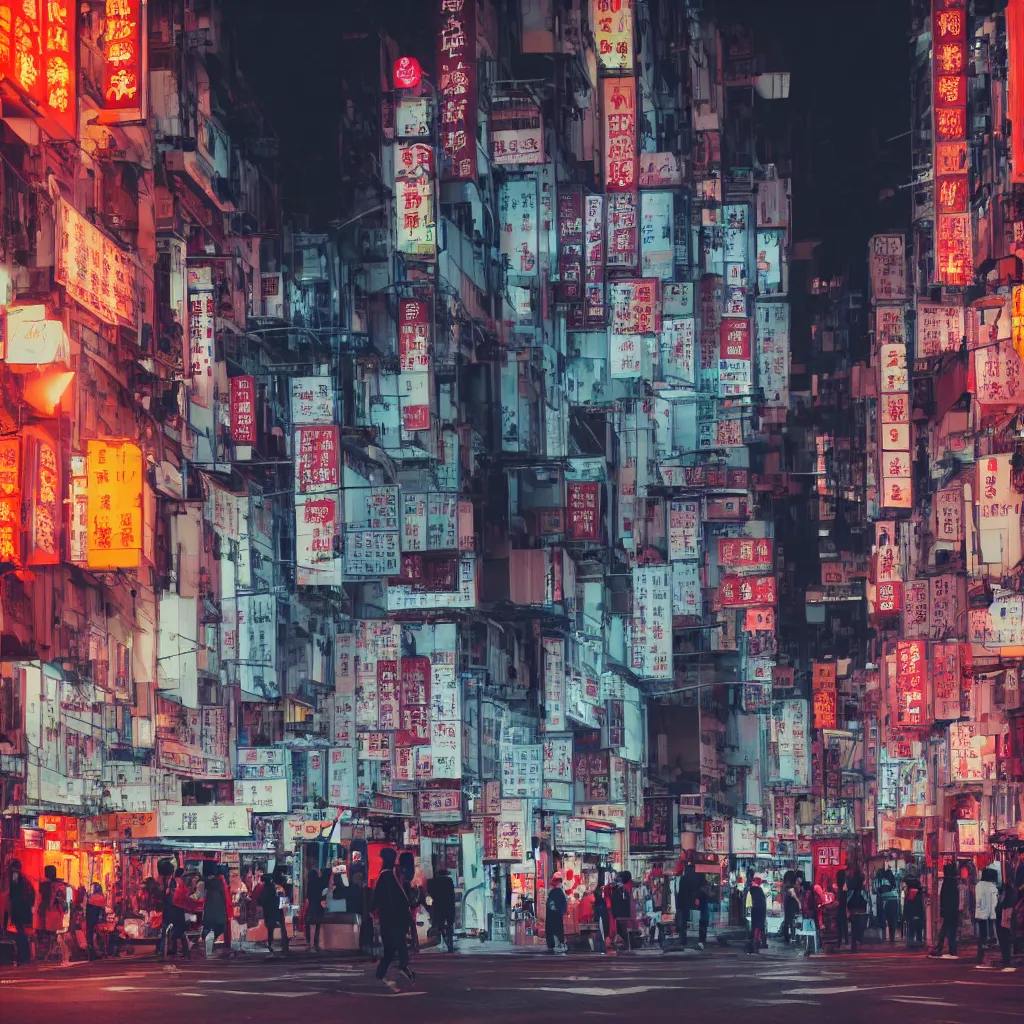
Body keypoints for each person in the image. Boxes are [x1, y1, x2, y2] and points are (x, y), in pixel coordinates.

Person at [373, 848, 414, 990]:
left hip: (389, 917)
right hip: (395, 917)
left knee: (392, 947)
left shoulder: (386, 876)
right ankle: (399, 968)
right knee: (397, 945)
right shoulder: (389, 877)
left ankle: (383, 972)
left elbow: (376, 899)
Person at [5, 859, 35, 965]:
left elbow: (15, 892)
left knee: (20, 933)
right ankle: (25, 956)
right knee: (22, 932)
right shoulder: (23, 877)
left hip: (19, 909)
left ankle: (23, 957)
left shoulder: (15, 875)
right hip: (24, 909)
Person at [929, 862, 961, 959]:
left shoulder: (946, 882)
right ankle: (951, 949)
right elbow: (955, 898)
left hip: (947, 910)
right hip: (953, 910)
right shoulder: (953, 883)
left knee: (945, 929)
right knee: (951, 930)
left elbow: (943, 898)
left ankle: (940, 947)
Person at [259, 868, 290, 956]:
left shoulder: (266, 889)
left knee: (271, 928)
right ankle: (283, 945)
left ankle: (272, 944)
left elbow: (261, 899)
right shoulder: (276, 888)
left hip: (270, 911)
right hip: (276, 910)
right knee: (279, 927)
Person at [200, 862, 228, 958]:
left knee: (208, 927)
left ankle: (204, 944)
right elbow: (225, 896)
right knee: (219, 926)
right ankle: (208, 947)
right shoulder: (220, 882)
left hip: (210, 908)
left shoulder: (207, 882)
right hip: (218, 908)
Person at [427, 864, 456, 953]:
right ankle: (449, 942)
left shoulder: (432, 882)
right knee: (449, 925)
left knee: (440, 925)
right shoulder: (449, 880)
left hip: (438, 906)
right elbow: (452, 894)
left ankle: (446, 940)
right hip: (449, 905)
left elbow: (430, 893)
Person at [974, 867, 999, 964]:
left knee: (982, 934)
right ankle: (984, 952)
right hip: (991, 913)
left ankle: (980, 954)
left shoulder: (979, 885)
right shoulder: (993, 886)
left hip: (981, 913)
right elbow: (995, 900)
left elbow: (978, 899)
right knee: (990, 932)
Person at [304, 857, 326, 953]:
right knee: (317, 925)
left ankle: (311, 944)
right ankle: (315, 944)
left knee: (311, 924)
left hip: (312, 903)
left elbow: (308, 892)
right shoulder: (319, 877)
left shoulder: (311, 876)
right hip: (318, 904)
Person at [676, 862, 699, 947]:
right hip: (683, 904)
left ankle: (683, 939)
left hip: (683, 904)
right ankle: (682, 939)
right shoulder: (685, 879)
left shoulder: (686, 879)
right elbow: (685, 892)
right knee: (682, 922)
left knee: (683, 923)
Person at [846, 871, 869, 953]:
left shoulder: (851, 888)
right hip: (861, 910)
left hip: (853, 909)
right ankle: (857, 942)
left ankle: (854, 943)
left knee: (854, 928)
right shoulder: (862, 890)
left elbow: (847, 900)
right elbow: (866, 899)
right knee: (860, 927)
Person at [546, 872, 568, 954]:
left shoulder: (553, 892)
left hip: (553, 915)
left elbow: (550, 904)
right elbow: (564, 904)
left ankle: (557, 945)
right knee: (558, 930)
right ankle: (560, 945)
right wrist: (562, 912)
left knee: (554, 931)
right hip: (558, 915)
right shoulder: (559, 892)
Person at [612, 871, 634, 951]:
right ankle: (626, 945)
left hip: (621, 915)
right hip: (623, 914)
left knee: (623, 930)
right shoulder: (623, 890)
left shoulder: (621, 890)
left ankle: (626, 945)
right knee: (624, 930)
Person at [903, 874, 925, 948]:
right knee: (918, 929)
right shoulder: (918, 892)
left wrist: (905, 915)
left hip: (912, 915)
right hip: (918, 914)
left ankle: (911, 942)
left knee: (911, 929)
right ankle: (918, 941)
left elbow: (908, 905)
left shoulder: (911, 892)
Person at [85, 883, 106, 959]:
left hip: (90, 920)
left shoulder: (92, 898)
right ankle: (99, 951)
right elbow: (102, 909)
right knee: (99, 936)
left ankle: (92, 952)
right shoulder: (102, 897)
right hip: (98, 920)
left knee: (90, 937)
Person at [748, 876, 767, 954]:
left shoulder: (752, 890)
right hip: (761, 910)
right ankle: (759, 942)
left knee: (756, 926)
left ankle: (756, 942)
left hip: (755, 910)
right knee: (759, 926)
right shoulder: (759, 890)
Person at [593, 883, 611, 955]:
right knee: (603, 933)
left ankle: (603, 949)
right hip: (604, 917)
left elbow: (596, 911)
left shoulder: (597, 901)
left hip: (601, 918)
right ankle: (603, 949)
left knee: (601, 934)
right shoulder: (602, 900)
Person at [834, 869, 849, 948]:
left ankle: (840, 941)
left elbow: (842, 897)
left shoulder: (842, 886)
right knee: (843, 923)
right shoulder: (843, 885)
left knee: (840, 924)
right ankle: (845, 940)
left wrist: (837, 901)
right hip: (843, 906)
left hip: (841, 906)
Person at [696, 877, 710, 950]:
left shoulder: (702, 894)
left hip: (703, 913)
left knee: (703, 928)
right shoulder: (703, 894)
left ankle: (702, 941)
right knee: (703, 928)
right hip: (703, 913)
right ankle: (702, 941)